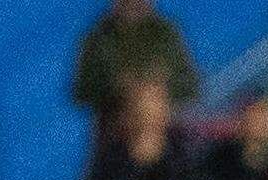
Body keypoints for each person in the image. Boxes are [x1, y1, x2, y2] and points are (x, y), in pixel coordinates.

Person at [71, 0, 199, 117]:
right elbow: (82, 91)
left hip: (161, 114)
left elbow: (189, 85)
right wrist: (118, 88)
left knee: (150, 104)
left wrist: (160, 86)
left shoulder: (165, 34)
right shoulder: (100, 37)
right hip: (115, 118)